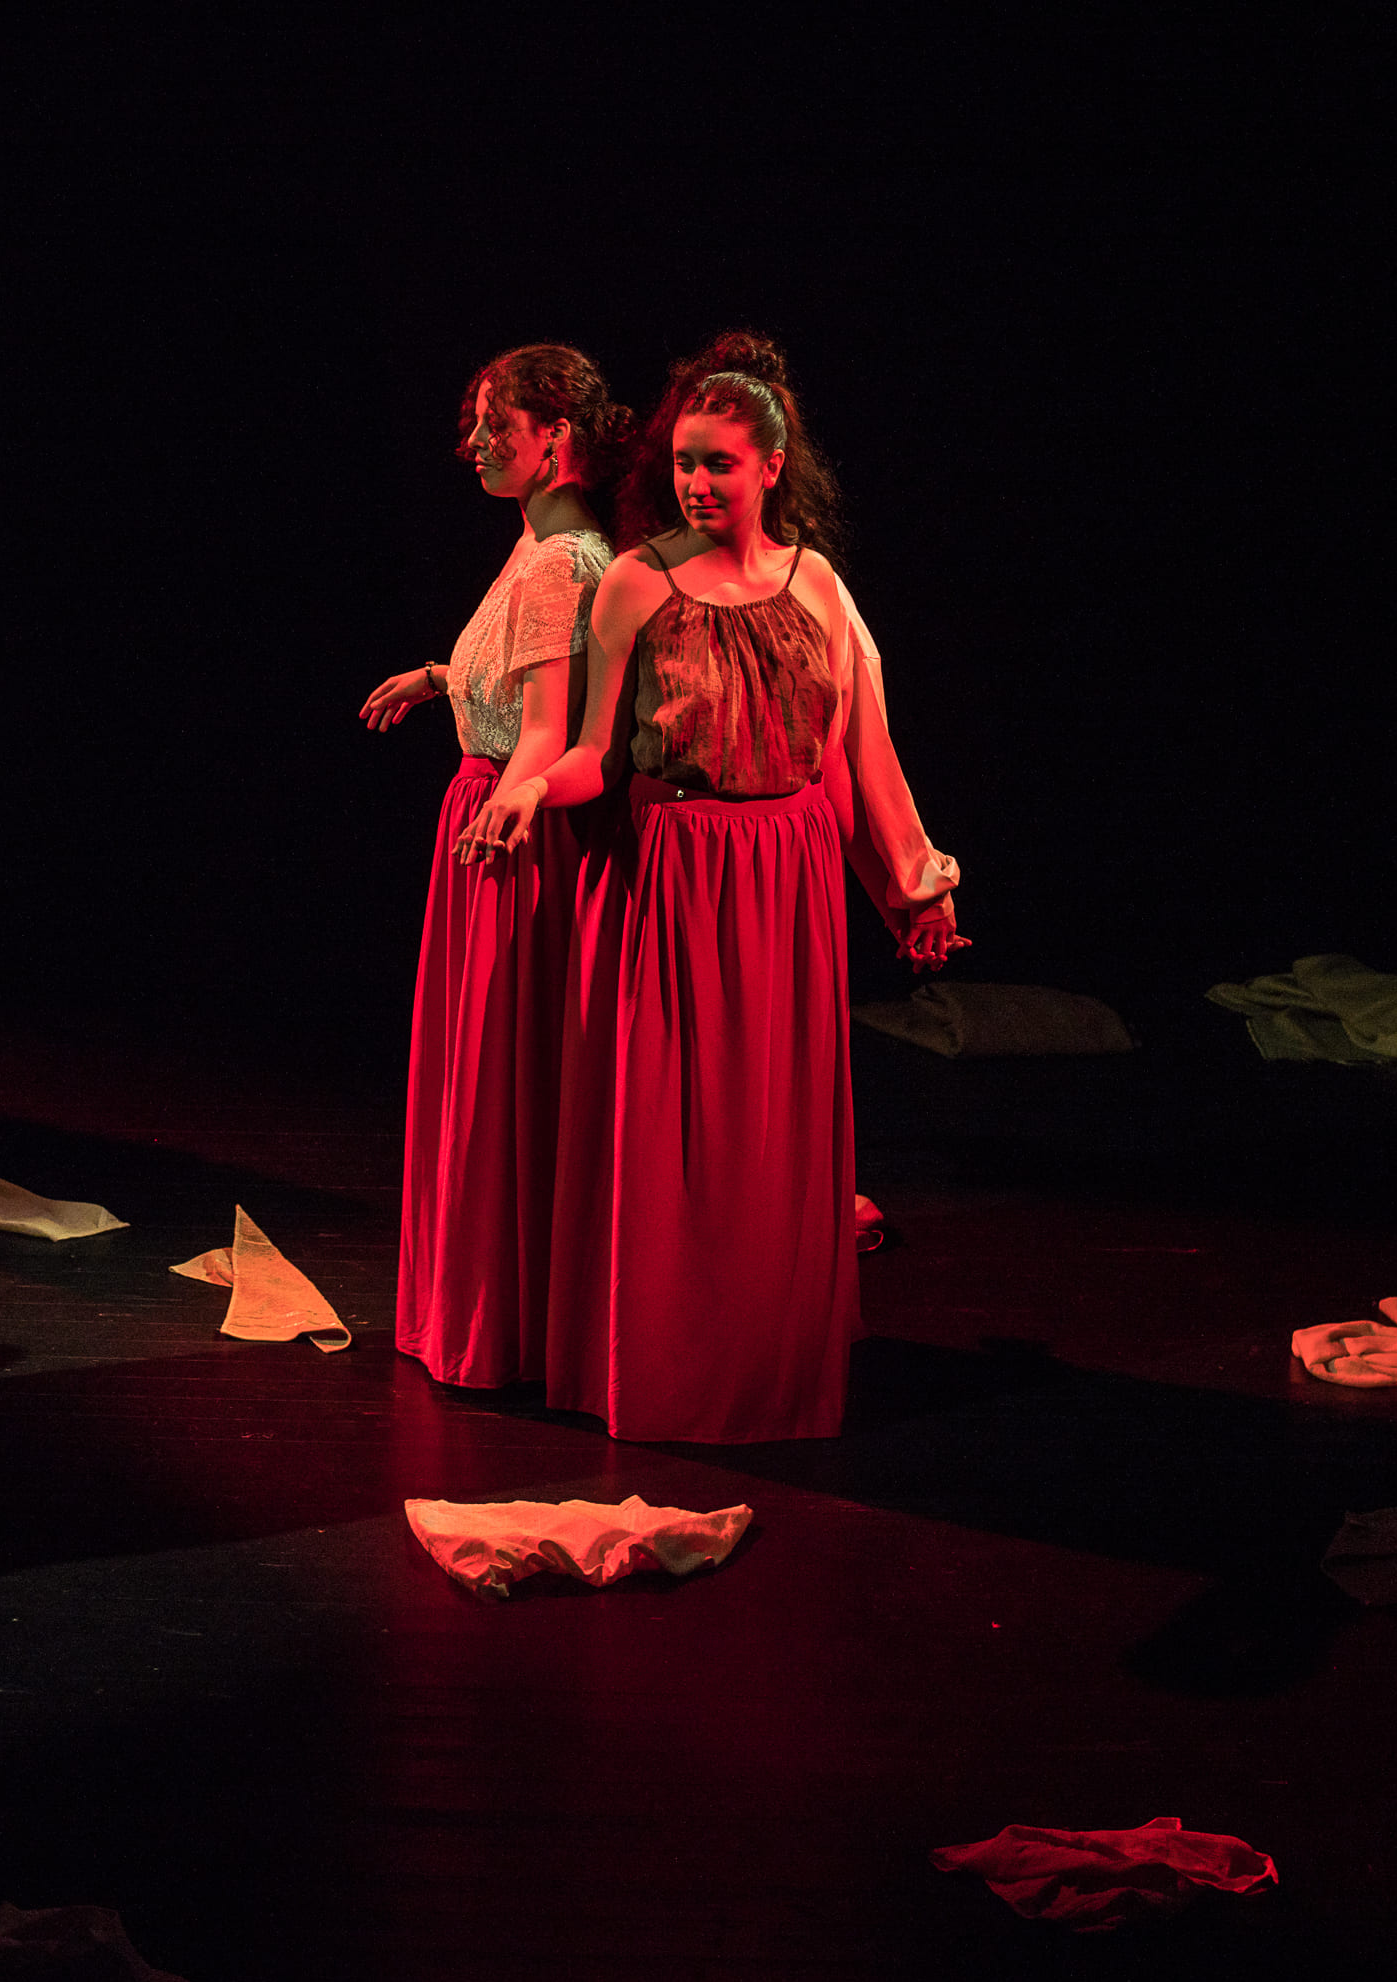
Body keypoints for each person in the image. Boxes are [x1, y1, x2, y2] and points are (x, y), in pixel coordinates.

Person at [465, 330, 962, 1443]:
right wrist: (531, 788)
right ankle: (670, 1364)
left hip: (788, 877)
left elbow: (857, 755)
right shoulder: (635, 582)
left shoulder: (816, 585)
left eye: (720, 463)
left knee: (772, 1142)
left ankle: (768, 1364)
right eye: (685, 461)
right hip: (679, 876)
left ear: (773, 467)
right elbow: (596, 753)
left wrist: (911, 889)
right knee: (678, 1142)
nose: (697, 481)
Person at [361, 344, 630, 1390]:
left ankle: (496, 1324)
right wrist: (441, 677)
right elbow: (518, 677)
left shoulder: (562, 559)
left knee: (497, 1087)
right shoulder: (541, 545)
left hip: (515, 828)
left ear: (554, 437)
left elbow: (548, 729)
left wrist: (500, 824)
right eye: (475, 423)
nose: (473, 444)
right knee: (493, 1085)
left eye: (495, 426)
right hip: (500, 809)